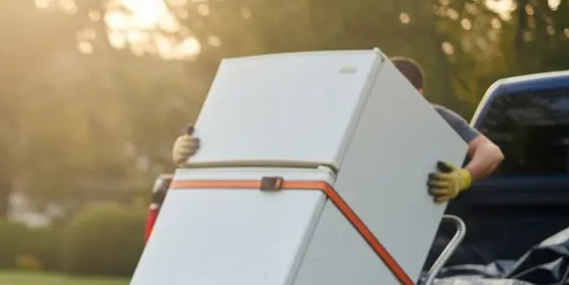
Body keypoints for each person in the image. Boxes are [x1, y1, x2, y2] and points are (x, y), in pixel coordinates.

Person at [171, 55, 503, 203]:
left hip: (416, 237)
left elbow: (491, 152)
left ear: (418, 94)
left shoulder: (436, 120)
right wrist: (198, 146)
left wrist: (464, 177)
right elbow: (272, 132)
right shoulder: (355, 116)